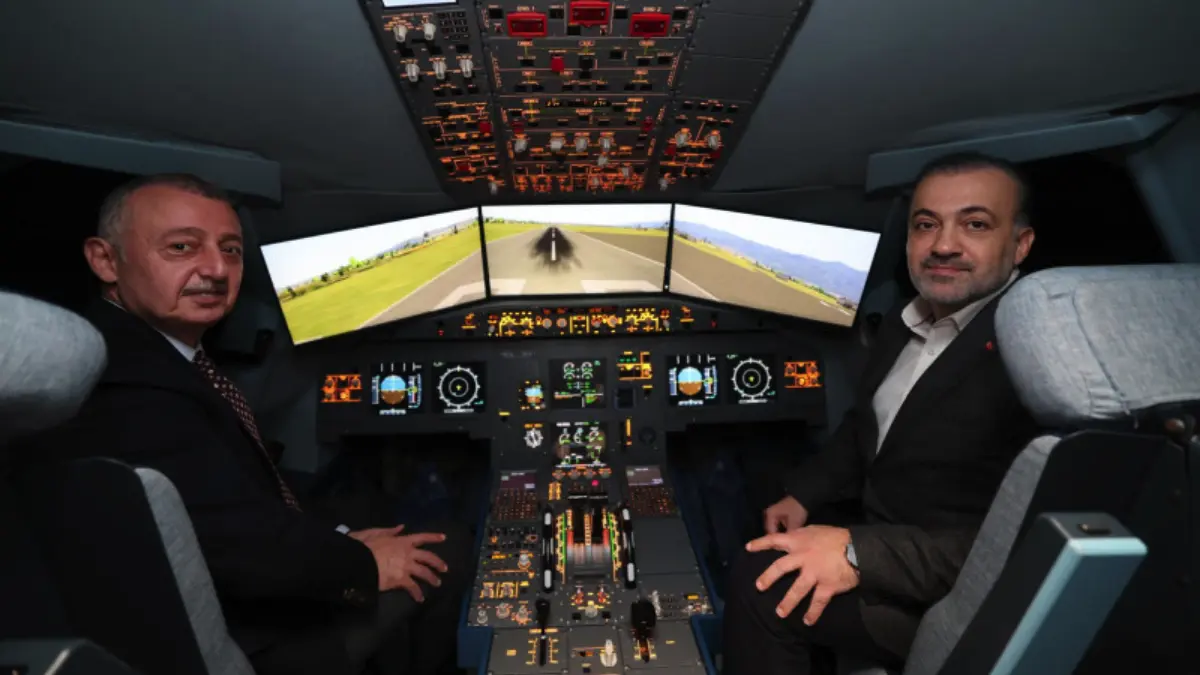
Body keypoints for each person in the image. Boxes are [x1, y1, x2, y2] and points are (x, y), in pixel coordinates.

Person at [47, 173, 472, 675]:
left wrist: (342, 536)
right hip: (256, 640)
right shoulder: (124, 381)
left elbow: (231, 500)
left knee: (370, 507)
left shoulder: (154, 354)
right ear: (104, 260)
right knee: (450, 549)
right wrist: (363, 563)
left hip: (233, 585)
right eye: (182, 247)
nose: (216, 269)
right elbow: (236, 546)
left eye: (230, 250)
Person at [722, 152, 1041, 674]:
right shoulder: (903, 321)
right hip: (887, 525)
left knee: (759, 584)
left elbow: (1020, 542)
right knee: (760, 496)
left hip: (953, 595)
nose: (943, 245)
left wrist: (857, 553)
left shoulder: (1032, 354)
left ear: (1020, 244)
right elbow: (865, 426)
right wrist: (803, 493)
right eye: (926, 225)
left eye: (976, 225)